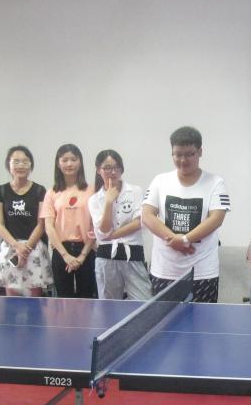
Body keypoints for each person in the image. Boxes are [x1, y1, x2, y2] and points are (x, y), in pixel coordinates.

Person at [142, 126, 230, 302]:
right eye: (177, 154)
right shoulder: (160, 181)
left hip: (202, 271)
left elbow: (216, 218)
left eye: (189, 154)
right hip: (164, 270)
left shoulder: (215, 183)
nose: (183, 160)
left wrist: (185, 239)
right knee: (165, 320)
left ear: (200, 152)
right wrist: (174, 239)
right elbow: (147, 215)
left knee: (202, 319)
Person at [88, 149, 151, 300]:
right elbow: (103, 230)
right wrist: (108, 202)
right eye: (107, 168)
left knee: (143, 301)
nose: (113, 172)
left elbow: (138, 222)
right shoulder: (94, 200)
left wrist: (110, 236)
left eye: (117, 167)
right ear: (98, 170)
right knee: (108, 307)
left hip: (133, 254)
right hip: (106, 257)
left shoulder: (135, 191)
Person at [0, 145, 52, 297]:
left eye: (25, 162)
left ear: (31, 166)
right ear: (9, 165)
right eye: (16, 161)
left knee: (34, 297)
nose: (21, 165)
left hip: (33, 249)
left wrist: (26, 249)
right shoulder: (1, 191)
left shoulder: (40, 190)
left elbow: (41, 224)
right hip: (10, 248)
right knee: (11, 296)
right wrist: (16, 246)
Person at [42, 144, 96, 298]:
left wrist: (82, 256)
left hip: (87, 250)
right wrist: (65, 256)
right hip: (61, 251)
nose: (69, 163)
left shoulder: (92, 190)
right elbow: (49, 227)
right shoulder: (51, 193)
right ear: (58, 164)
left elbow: (95, 225)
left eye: (73, 159)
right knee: (64, 300)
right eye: (65, 160)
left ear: (80, 162)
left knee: (87, 298)